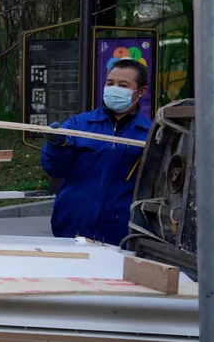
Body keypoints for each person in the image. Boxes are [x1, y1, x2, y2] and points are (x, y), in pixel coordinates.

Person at [41, 58, 151, 245]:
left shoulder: (149, 134)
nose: (114, 89)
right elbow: (54, 169)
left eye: (123, 85)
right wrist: (56, 146)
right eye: (110, 83)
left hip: (121, 233)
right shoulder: (79, 124)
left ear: (141, 91)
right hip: (71, 229)